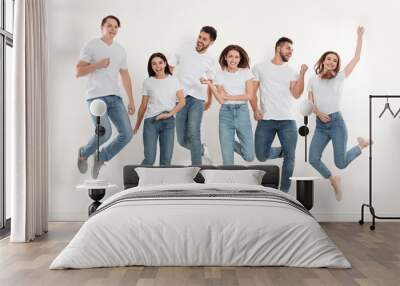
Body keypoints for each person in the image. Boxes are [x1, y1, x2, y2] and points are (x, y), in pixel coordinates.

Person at [308, 26, 370, 201]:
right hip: (320, 125)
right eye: (329, 59)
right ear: (323, 61)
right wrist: (318, 113)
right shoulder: (312, 80)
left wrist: (359, 36)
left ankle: (361, 145)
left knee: (340, 163)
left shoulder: (340, 77)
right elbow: (310, 103)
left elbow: (356, 58)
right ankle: (333, 179)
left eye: (335, 61)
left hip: (336, 123)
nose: (331, 62)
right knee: (313, 158)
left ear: (336, 64)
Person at [76, 15, 135, 179]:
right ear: (102, 27)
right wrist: (97, 65)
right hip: (96, 97)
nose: (112, 29)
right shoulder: (91, 45)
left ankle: (102, 157)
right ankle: (84, 153)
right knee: (105, 133)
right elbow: (78, 71)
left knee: (127, 134)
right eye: (109, 25)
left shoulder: (120, 50)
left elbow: (125, 75)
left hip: (115, 98)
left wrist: (131, 99)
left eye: (116, 26)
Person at [251, 37, 308, 192]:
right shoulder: (260, 67)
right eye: (288, 48)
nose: (291, 52)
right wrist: (256, 109)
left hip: (287, 121)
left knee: (290, 159)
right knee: (261, 155)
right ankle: (284, 150)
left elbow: (296, 94)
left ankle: (284, 192)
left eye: (292, 50)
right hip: (266, 120)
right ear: (278, 48)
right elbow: (252, 93)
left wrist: (302, 74)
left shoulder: (291, 71)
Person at [169, 26, 217, 165]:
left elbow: (210, 80)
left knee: (194, 133)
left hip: (198, 98)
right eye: (200, 37)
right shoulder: (184, 49)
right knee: (182, 140)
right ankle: (202, 150)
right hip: (181, 98)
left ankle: (197, 172)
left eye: (204, 39)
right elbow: (170, 66)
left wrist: (209, 100)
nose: (200, 41)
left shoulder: (210, 59)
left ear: (211, 42)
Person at [205, 45, 255, 165]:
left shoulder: (246, 73)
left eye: (237, 57)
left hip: (242, 112)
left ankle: (227, 142)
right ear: (225, 58)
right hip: (226, 114)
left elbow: (249, 95)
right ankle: (226, 142)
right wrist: (209, 83)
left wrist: (228, 97)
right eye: (230, 56)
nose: (233, 60)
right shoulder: (220, 75)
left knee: (249, 156)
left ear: (240, 59)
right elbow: (222, 100)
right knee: (227, 162)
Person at [133, 53, 185, 166]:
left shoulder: (174, 80)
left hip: (169, 122)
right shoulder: (148, 82)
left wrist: (169, 114)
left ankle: (162, 183)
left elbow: (182, 102)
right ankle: (140, 183)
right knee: (149, 159)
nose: (158, 66)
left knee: (166, 161)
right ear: (151, 66)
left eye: (160, 63)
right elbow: (143, 106)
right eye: (154, 64)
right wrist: (137, 125)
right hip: (151, 122)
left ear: (165, 63)